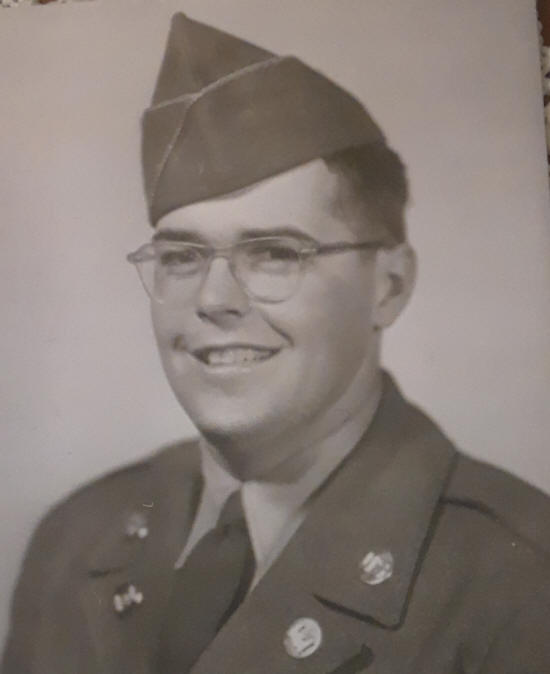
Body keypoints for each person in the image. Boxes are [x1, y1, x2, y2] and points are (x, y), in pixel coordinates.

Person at [2, 12, 550, 674]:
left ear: (390, 285)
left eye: (273, 253)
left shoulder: (518, 582)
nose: (214, 299)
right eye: (181, 256)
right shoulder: (75, 541)